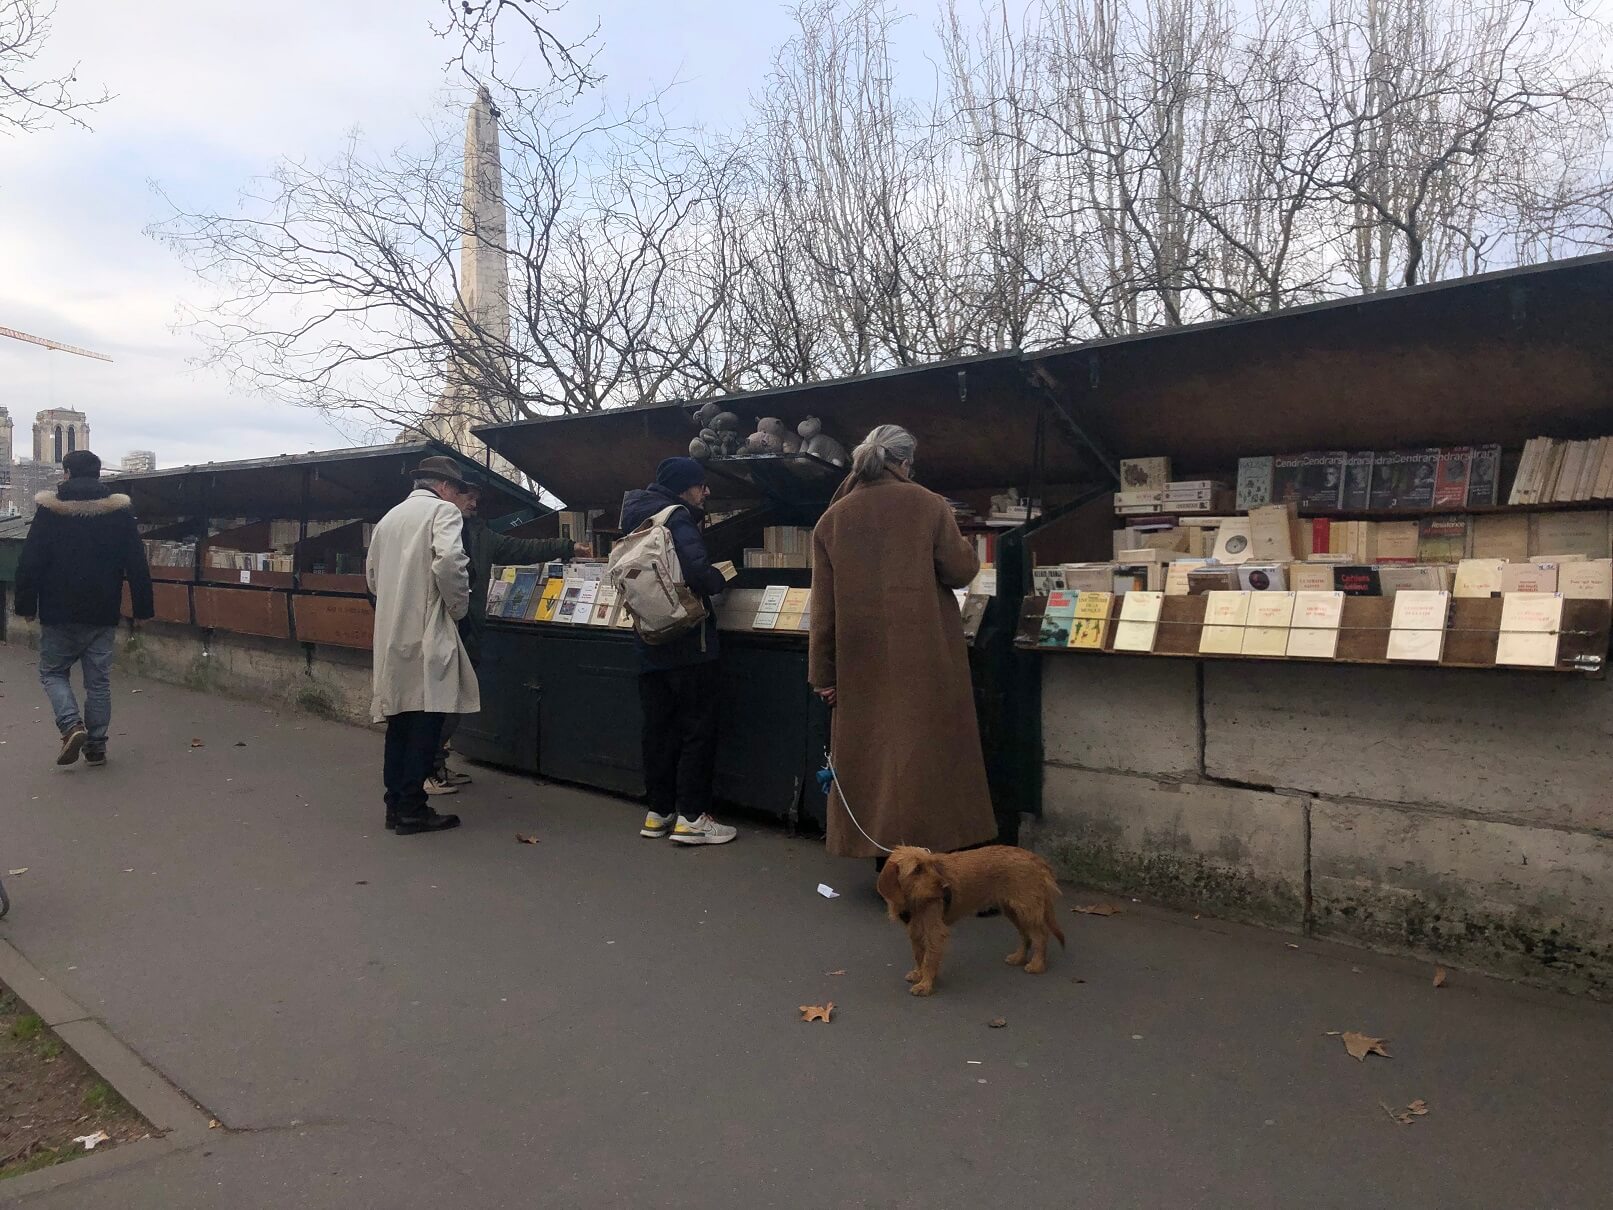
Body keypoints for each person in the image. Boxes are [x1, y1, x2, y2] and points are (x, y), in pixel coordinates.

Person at [808, 424, 997, 865]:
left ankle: (889, 865)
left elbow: (823, 610)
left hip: (860, 663)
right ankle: (946, 865)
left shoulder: (833, 517)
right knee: (935, 757)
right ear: (904, 462)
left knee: (876, 763)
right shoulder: (928, 505)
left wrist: (823, 675)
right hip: (928, 655)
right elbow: (959, 570)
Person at [426, 474, 590, 795]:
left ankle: (436, 764)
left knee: (456, 701)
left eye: (476, 498)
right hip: (441, 627)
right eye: (467, 496)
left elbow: (520, 548)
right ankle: (426, 769)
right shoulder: (435, 530)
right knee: (438, 703)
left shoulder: (481, 534)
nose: (473, 502)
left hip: (470, 628)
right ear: (449, 495)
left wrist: (567, 546)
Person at [618, 457, 736, 845]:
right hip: (689, 644)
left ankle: (658, 813)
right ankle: (692, 818)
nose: (705, 492)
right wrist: (722, 577)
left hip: (648, 642)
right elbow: (701, 575)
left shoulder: (633, 517)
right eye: (701, 485)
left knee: (658, 731)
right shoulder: (678, 518)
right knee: (696, 730)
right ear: (685, 487)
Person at [14, 449, 153, 768]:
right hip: (102, 611)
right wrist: (142, 610)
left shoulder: (50, 511)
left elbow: (30, 562)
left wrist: (26, 605)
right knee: (98, 682)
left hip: (57, 611)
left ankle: (70, 725)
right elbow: (136, 563)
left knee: (52, 673)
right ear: (99, 474)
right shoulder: (118, 514)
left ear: (66, 474)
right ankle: (97, 745)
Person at [367, 456, 480, 835]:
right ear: (445, 487)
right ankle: (413, 809)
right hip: (429, 630)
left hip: (393, 632)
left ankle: (395, 806)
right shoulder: (443, 514)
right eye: (457, 489)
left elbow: (371, 577)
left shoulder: (389, 520)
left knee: (399, 722)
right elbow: (450, 561)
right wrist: (458, 608)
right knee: (426, 723)